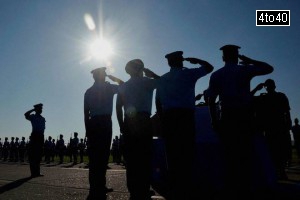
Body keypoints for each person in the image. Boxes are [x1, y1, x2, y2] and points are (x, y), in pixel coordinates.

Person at [207, 45, 273, 198]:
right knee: (245, 154)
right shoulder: (246, 70)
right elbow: (268, 68)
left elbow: (211, 99)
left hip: (227, 117)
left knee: (229, 155)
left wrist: (214, 120)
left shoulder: (217, 74)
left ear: (223, 58)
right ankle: (244, 187)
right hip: (244, 116)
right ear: (237, 56)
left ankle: (232, 188)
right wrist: (250, 60)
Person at [156, 51, 214, 200]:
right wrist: (197, 60)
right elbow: (209, 67)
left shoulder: (162, 79)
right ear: (181, 61)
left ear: (169, 63)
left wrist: (162, 121)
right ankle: (187, 186)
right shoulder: (189, 74)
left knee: (172, 153)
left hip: (169, 117)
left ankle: (175, 186)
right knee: (187, 152)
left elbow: (158, 103)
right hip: (185, 117)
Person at [116, 59, 160, 200]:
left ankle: (133, 189)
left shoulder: (124, 86)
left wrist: (121, 124)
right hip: (144, 120)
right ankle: (144, 188)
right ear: (140, 69)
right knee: (145, 156)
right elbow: (164, 83)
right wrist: (151, 73)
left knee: (132, 158)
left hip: (129, 121)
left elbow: (118, 107)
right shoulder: (147, 81)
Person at [84, 67, 123, 200]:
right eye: (104, 74)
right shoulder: (109, 88)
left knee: (95, 157)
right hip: (105, 122)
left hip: (93, 123)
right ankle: (100, 186)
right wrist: (113, 78)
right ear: (102, 76)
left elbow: (86, 114)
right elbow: (123, 85)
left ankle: (95, 186)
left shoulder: (88, 91)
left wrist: (87, 130)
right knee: (103, 155)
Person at [253, 79, 292, 180]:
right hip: (270, 127)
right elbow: (247, 98)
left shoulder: (279, 96)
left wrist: (288, 122)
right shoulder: (264, 98)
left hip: (278, 127)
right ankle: (278, 171)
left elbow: (287, 111)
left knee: (279, 149)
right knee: (274, 150)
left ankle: (280, 171)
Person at [24, 103, 46, 177]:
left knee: (39, 155)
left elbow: (43, 130)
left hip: (41, 137)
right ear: (36, 109)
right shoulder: (33, 117)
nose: (41, 110)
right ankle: (33, 173)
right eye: (39, 108)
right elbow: (26, 114)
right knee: (33, 155)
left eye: (41, 109)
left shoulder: (43, 118)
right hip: (35, 136)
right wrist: (33, 110)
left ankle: (37, 172)